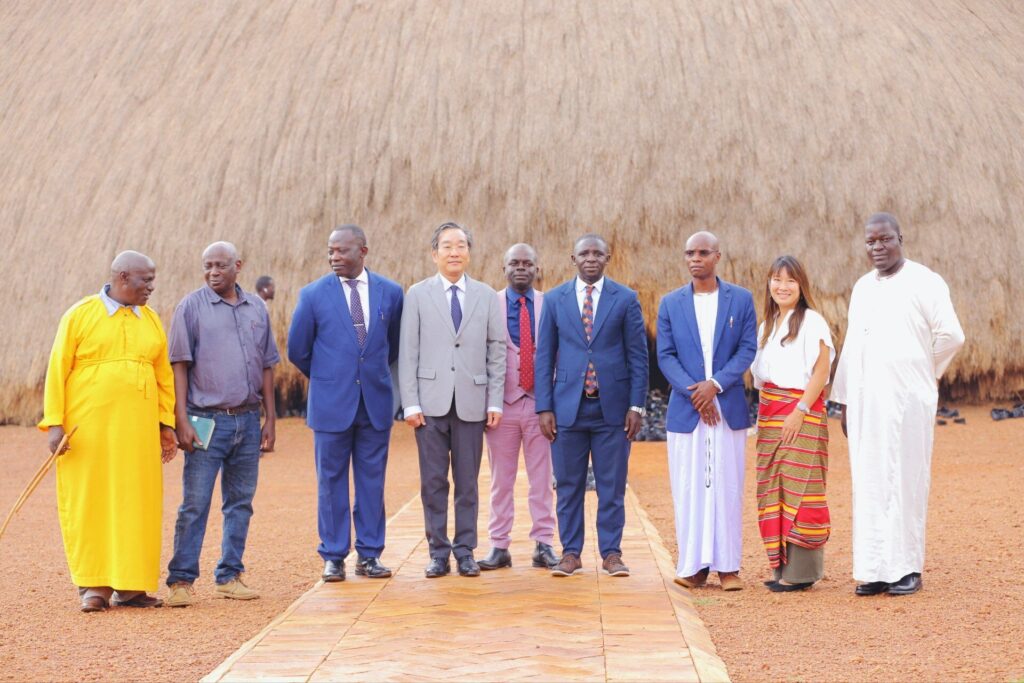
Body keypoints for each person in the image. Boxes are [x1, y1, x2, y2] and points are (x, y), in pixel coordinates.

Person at [832, 213, 964, 596]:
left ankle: (907, 567)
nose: (877, 247)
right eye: (870, 242)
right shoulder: (861, 287)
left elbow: (952, 336)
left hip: (908, 400)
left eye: (884, 239)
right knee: (869, 481)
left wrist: (922, 370)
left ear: (900, 238)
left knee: (905, 479)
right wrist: (843, 401)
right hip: (866, 402)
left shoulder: (926, 281)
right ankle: (873, 568)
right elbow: (852, 345)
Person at [39, 251, 177, 612]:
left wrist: (166, 425)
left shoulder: (151, 321)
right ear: (122, 278)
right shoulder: (80, 314)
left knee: (137, 503)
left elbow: (164, 378)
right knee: (91, 502)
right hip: (89, 434)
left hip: (137, 435)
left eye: (152, 279)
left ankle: (132, 586)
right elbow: (57, 369)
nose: (151, 286)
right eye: (145, 280)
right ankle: (94, 587)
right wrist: (55, 424)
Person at [164, 242, 280, 607]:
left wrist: (270, 418)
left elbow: (267, 365)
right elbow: (179, 365)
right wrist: (180, 419)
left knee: (240, 502)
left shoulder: (257, 308)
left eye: (220, 266)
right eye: (207, 266)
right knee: (195, 503)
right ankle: (181, 581)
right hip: (204, 420)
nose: (213, 272)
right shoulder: (190, 308)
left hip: (247, 419)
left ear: (238, 266)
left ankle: (230, 575)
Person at [288, 225, 404, 582]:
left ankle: (369, 555)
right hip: (330, 405)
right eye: (331, 251)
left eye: (342, 251)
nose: (334, 257)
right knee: (331, 481)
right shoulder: (312, 295)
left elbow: (392, 347)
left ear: (363, 252)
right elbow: (298, 350)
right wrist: (331, 377)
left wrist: (368, 376)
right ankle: (334, 556)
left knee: (372, 481)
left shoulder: (391, 292)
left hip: (375, 403)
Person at [534, 234, 648, 578]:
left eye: (598, 253)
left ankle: (611, 553)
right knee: (568, 486)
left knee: (611, 486)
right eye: (584, 253)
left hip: (612, 410)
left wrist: (637, 406)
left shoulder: (626, 299)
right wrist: (544, 408)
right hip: (567, 409)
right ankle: (570, 553)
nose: (591, 258)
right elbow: (544, 357)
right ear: (573, 258)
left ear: (608, 258)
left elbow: (638, 357)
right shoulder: (554, 300)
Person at [398, 222, 506, 578]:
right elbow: (407, 351)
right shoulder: (416, 294)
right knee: (433, 482)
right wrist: (410, 403)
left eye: (461, 245)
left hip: (473, 403)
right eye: (447, 246)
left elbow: (496, 350)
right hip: (429, 405)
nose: (454, 252)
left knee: (468, 482)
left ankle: (465, 551)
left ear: (469, 253)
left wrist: (494, 401)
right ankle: (438, 553)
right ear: (434, 254)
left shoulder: (487, 296)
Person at [656, 231, 756, 591]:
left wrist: (714, 386)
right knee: (689, 486)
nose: (695, 258)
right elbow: (665, 355)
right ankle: (693, 566)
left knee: (728, 486)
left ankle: (728, 567)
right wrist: (695, 393)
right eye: (689, 253)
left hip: (726, 407)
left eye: (702, 252)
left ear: (717, 256)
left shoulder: (741, 300)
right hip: (687, 411)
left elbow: (747, 350)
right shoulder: (670, 303)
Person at [750, 255, 835, 592]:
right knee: (775, 486)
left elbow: (822, 370)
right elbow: (760, 378)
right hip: (770, 415)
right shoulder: (766, 326)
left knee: (803, 484)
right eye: (776, 279)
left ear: (801, 286)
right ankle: (780, 564)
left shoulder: (813, 322)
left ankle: (801, 573)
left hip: (801, 411)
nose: (782, 287)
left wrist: (799, 410)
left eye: (790, 281)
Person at [478, 243, 558, 571]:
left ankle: (544, 543)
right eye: (514, 263)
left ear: (537, 268)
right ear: (504, 268)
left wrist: (552, 403)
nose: (521, 268)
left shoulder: (550, 304)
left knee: (543, 479)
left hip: (542, 407)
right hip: (502, 407)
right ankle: (499, 546)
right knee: (501, 480)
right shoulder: (488, 304)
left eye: (527, 262)